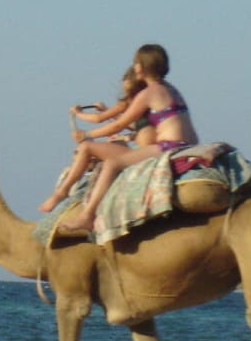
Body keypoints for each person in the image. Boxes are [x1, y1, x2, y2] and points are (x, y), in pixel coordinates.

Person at [55, 44, 199, 233]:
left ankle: (87, 216)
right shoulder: (172, 89)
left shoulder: (148, 94)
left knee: (112, 165)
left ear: (141, 67)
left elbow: (117, 125)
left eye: (136, 63)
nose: (135, 67)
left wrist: (87, 135)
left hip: (170, 146)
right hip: (189, 144)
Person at [38, 67, 154, 213]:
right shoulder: (141, 103)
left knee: (86, 147)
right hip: (142, 151)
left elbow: (104, 121)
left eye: (130, 92)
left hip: (141, 153)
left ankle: (62, 192)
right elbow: (127, 123)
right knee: (112, 143)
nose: (127, 95)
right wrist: (105, 111)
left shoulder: (138, 101)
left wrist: (79, 115)